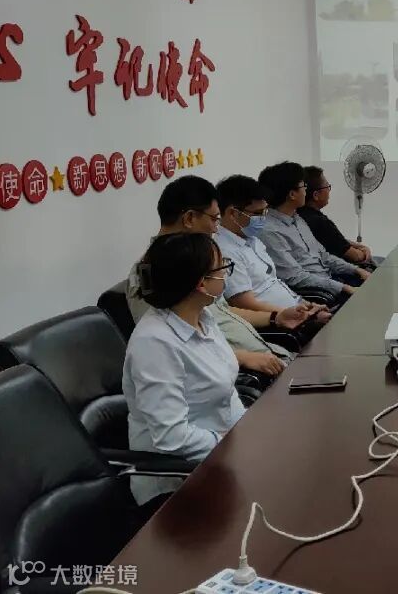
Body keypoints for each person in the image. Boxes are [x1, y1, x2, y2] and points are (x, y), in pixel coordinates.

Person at [126, 176, 308, 377]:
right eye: (214, 219)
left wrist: (276, 318)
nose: (216, 228)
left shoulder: (200, 261)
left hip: (263, 355)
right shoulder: (152, 271)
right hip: (236, 372)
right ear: (189, 218)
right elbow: (167, 346)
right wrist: (240, 357)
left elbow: (222, 313)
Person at [123, 233, 246, 506]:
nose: (226, 272)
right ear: (201, 283)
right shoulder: (154, 343)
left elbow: (227, 390)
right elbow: (172, 438)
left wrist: (247, 429)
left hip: (220, 459)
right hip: (177, 483)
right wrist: (230, 445)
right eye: (222, 266)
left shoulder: (203, 317)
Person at [216, 175, 332, 321]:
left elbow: (274, 283)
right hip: (279, 322)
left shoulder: (252, 238)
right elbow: (245, 304)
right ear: (233, 213)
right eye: (258, 213)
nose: (263, 218)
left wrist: (307, 306)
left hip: (294, 310)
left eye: (265, 211)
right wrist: (304, 315)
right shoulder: (225, 252)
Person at [258, 162, 367, 300]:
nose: (306, 190)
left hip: (331, 280)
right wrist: (343, 288)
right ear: (292, 194)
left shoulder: (297, 219)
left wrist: (356, 270)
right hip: (317, 293)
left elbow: (323, 256)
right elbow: (296, 277)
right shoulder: (270, 231)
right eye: (303, 186)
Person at [299, 165, 378, 267]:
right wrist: (364, 251)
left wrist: (359, 246)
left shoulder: (298, 215)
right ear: (316, 195)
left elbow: (337, 241)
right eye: (327, 187)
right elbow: (356, 257)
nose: (329, 190)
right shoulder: (320, 223)